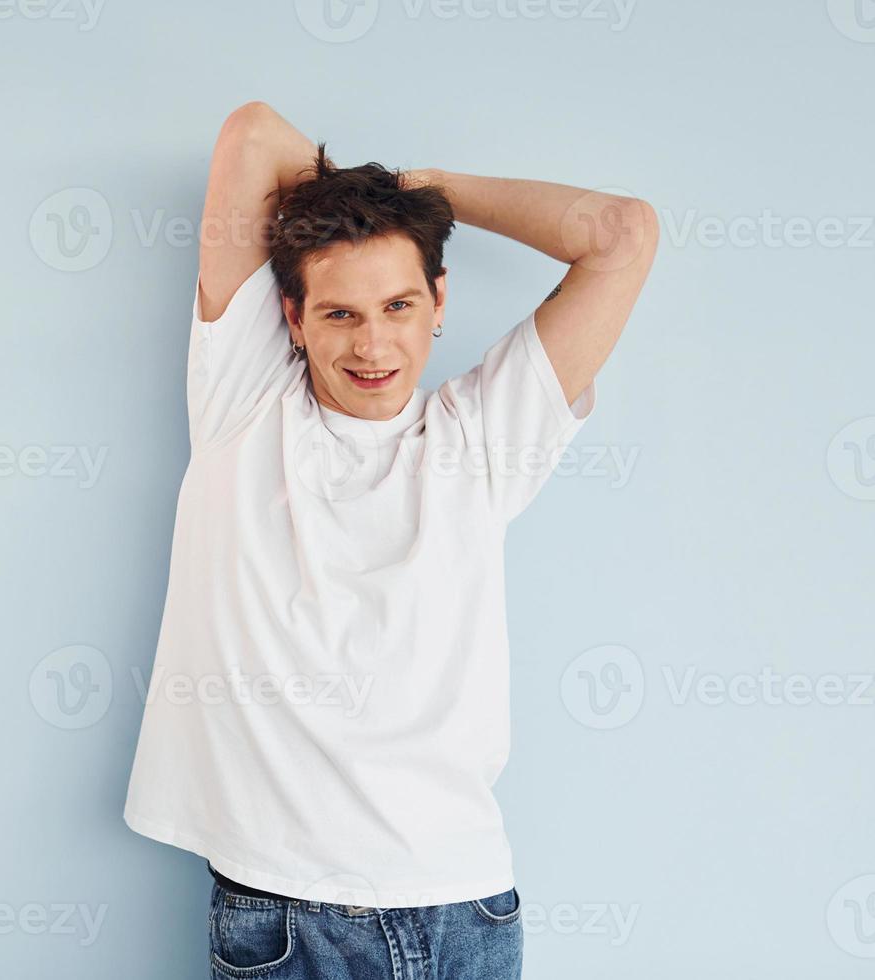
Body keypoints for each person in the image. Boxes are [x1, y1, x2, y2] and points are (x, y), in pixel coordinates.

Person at [122, 101, 657, 979]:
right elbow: (253, 134)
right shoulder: (243, 402)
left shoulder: (485, 439)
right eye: (339, 315)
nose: (373, 344)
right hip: (285, 914)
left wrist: (418, 197)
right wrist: (375, 199)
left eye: (399, 305)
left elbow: (623, 234)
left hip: (465, 911)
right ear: (291, 318)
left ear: (439, 302)